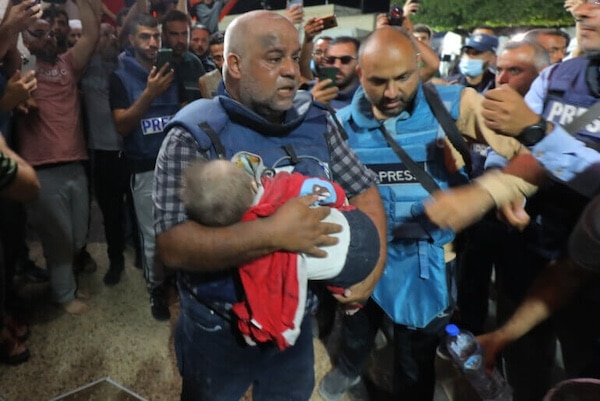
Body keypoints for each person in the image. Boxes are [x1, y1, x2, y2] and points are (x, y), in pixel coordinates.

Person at [153, 10, 387, 401]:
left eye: (295, 58)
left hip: (295, 321)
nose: (292, 72)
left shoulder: (318, 122)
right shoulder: (192, 134)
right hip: (218, 326)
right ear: (234, 64)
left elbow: (364, 189)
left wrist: (372, 271)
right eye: (275, 59)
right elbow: (173, 245)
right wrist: (273, 233)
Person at [318, 26, 525, 401]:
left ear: (419, 65)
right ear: (361, 75)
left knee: (416, 354)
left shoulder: (455, 105)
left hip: (427, 261)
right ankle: (349, 368)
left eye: (403, 78)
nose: (392, 92)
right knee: (357, 328)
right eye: (379, 81)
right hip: (365, 255)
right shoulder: (340, 125)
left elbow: (521, 150)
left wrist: (495, 188)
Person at [181, 155, 379, 350]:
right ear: (252, 183)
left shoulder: (257, 255)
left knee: (337, 286)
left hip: (351, 267)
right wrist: (339, 200)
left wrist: (253, 330)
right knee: (306, 169)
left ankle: (352, 306)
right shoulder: (280, 184)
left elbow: (272, 305)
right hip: (360, 222)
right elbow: (320, 187)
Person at [17, 0, 101, 315]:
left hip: (75, 163)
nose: (50, 38)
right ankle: (64, 295)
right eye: (41, 33)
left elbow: (91, 34)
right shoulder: (22, 67)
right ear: (25, 39)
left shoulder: (67, 65)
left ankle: (66, 285)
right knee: (58, 239)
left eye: (53, 33)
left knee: (78, 236)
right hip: (41, 167)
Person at [110, 13, 179, 320]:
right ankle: (156, 288)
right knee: (153, 236)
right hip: (144, 165)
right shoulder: (120, 76)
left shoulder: (172, 68)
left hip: (178, 164)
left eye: (156, 37)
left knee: (181, 227)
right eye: (144, 37)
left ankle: (177, 281)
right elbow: (122, 125)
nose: (152, 43)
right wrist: (150, 94)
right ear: (130, 40)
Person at [81, 22, 130, 285]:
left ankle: (143, 257)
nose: (112, 38)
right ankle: (116, 260)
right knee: (110, 213)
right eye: (105, 34)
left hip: (130, 150)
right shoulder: (86, 68)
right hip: (103, 153)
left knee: (134, 210)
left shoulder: (126, 63)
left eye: (114, 33)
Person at [162, 10, 205, 103]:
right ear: (164, 35)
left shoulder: (195, 63)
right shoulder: (158, 62)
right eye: (174, 34)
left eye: (185, 34)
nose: (180, 40)